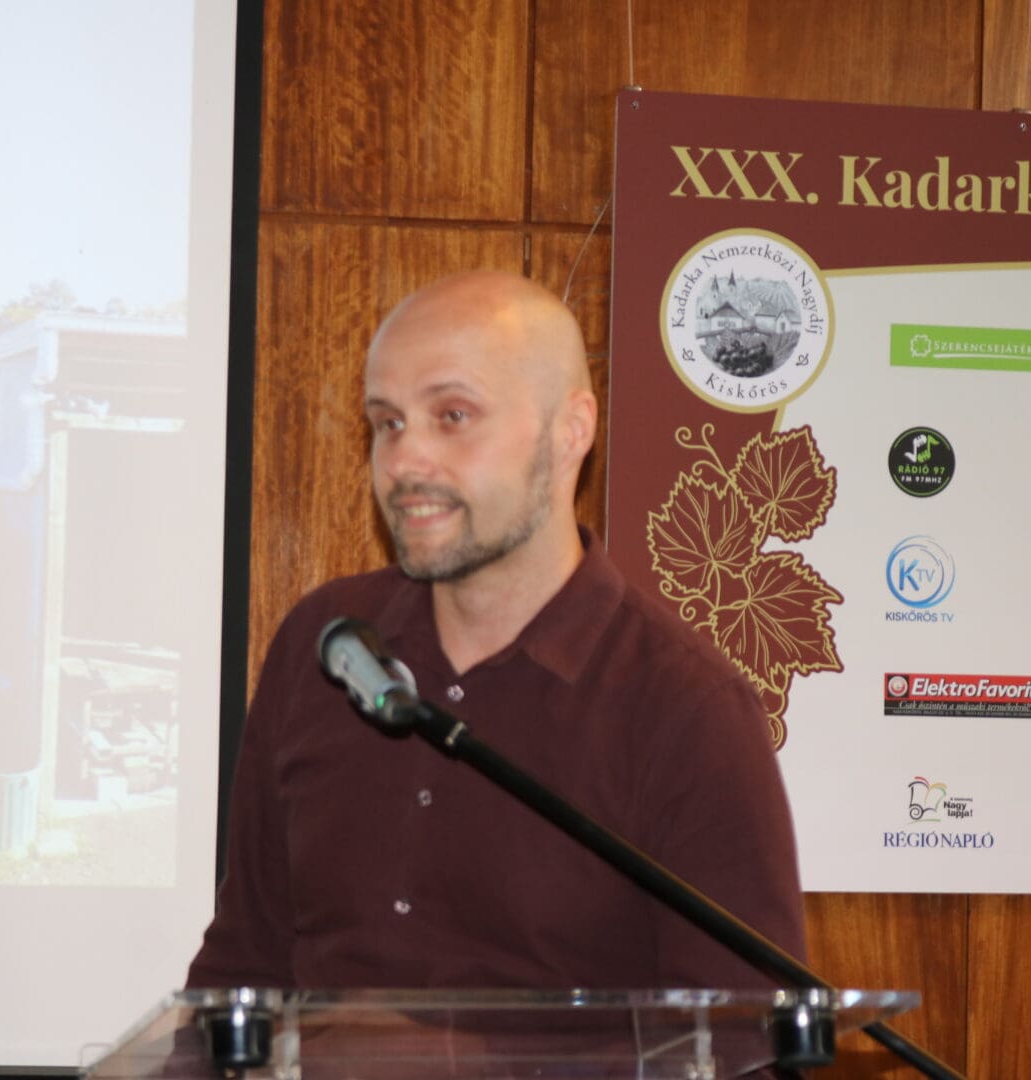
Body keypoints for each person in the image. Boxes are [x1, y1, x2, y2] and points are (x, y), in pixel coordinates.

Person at [188, 270, 805, 992]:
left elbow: (739, 1037)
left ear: (571, 431)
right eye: (387, 423)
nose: (404, 461)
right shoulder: (327, 646)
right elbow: (243, 961)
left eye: (452, 415)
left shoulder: (685, 708)